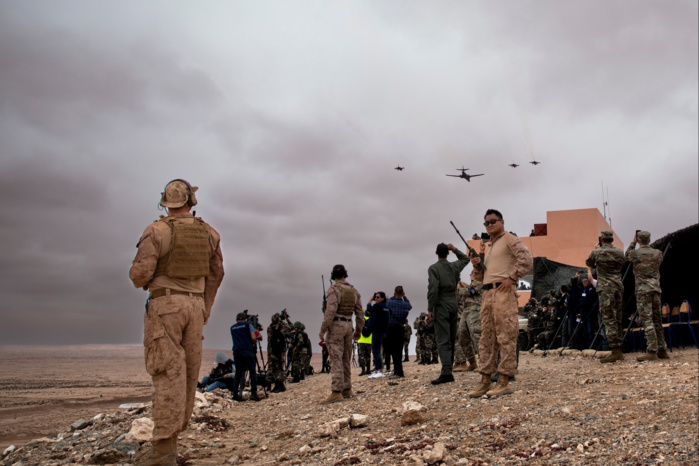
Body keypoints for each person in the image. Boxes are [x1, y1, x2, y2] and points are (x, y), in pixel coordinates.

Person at [129, 179, 224, 465]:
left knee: (168, 374)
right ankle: (171, 442)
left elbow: (138, 276)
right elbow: (217, 273)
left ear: (165, 202)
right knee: (187, 376)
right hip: (195, 307)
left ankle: (163, 452)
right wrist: (205, 307)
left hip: (166, 306)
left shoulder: (157, 230)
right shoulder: (209, 233)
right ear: (191, 201)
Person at [468, 209, 532, 398]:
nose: (489, 225)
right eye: (486, 223)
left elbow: (526, 259)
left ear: (502, 222)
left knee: (506, 336)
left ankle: (504, 379)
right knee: (486, 338)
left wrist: (512, 278)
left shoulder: (509, 238)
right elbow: (480, 278)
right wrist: (477, 266)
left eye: (493, 221)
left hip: (503, 292)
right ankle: (485, 379)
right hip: (487, 293)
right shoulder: (489, 246)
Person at [318, 264, 364, 403]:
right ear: (345, 274)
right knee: (346, 357)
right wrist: (358, 330)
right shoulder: (353, 290)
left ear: (333, 276)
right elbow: (360, 312)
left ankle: (336, 390)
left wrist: (323, 329)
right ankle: (347, 388)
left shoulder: (334, 289)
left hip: (336, 325)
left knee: (336, 357)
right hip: (349, 324)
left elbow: (330, 310)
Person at [427, 243, 471, 385]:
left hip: (441, 303)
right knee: (451, 339)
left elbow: (433, 289)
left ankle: (446, 372)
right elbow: (465, 259)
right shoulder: (453, 266)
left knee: (443, 339)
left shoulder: (433, 268)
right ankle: (448, 370)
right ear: (448, 253)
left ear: (436, 253)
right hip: (453, 302)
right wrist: (455, 249)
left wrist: (430, 308)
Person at [626, 231, 669, 361]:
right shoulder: (657, 253)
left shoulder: (635, 253)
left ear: (639, 240)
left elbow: (626, 256)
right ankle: (662, 349)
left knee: (647, 319)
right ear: (649, 240)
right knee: (657, 319)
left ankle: (652, 350)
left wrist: (633, 242)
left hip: (643, 290)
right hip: (656, 289)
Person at [585, 230, 626, 363]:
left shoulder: (596, 252)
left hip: (605, 288)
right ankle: (619, 348)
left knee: (608, 318)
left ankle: (615, 350)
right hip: (618, 286)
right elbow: (623, 263)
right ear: (612, 240)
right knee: (618, 317)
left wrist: (597, 249)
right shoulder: (619, 252)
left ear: (602, 240)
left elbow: (589, 263)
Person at [453, 271, 482, 372]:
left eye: (474, 273)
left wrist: (459, 289)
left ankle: (483, 363)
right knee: (462, 337)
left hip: (475, 310)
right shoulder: (469, 284)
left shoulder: (479, 281)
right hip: (466, 311)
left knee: (476, 336)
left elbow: (471, 291)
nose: (472, 274)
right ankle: (472, 362)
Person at [230, 312, 261, 401]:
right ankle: (254, 394)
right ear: (244, 319)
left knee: (238, 373)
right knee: (252, 372)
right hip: (247, 350)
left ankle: (235, 395)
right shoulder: (248, 325)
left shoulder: (232, 327)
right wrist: (253, 343)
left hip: (237, 351)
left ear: (236, 320)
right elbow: (253, 337)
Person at [385, 286, 413, 379]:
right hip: (400, 327)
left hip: (392, 327)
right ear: (402, 293)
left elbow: (388, 303)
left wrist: (395, 296)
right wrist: (404, 297)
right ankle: (399, 371)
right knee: (399, 350)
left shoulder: (390, 302)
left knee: (393, 350)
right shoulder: (405, 304)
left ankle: (397, 372)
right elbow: (410, 306)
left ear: (394, 293)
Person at [366, 291, 390, 379]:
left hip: (377, 330)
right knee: (376, 350)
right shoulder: (386, 306)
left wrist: (370, 300)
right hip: (382, 330)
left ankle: (379, 370)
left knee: (376, 351)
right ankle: (376, 370)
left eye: (378, 297)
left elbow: (369, 308)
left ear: (382, 298)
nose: (376, 299)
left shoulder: (378, 306)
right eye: (375, 297)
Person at [266, 313, 292, 393]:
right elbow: (291, 327)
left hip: (273, 350)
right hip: (281, 350)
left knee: (275, 368)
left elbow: (269, 339)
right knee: (280, 367)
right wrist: (286, 319)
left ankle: (279, 385)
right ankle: (279, 385)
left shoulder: (270, 327)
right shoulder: (282, 327)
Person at [357, 310, 372, 376]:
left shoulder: (361, 321)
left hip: (361, 340)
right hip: (369, 341)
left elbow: (357, 329)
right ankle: (368, 369)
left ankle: (363, 370)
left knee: (362, 355)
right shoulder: (372, 321)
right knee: (368, 355)